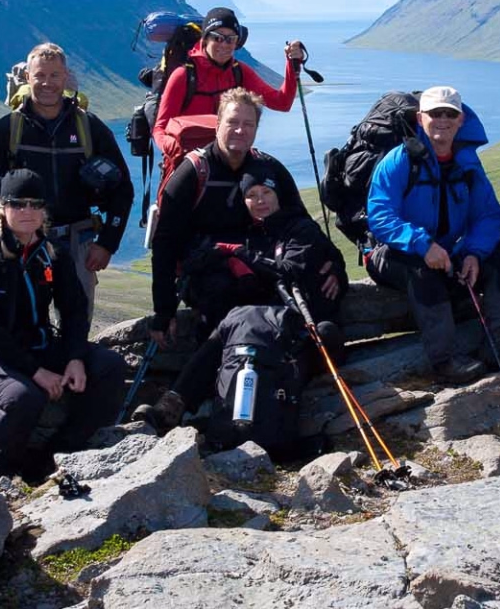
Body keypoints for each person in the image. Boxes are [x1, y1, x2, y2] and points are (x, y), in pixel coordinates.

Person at [0, 169, 129, 486]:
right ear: (2, 207)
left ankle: (56, 456)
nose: (27, 211)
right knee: (23, 397)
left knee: (110, 367)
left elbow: (73, 309)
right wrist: (36, 372)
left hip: (38, 344)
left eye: (35, 204)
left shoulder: (50, 252)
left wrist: (75, 357)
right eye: (18, 204)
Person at [138, 170, 349, 431]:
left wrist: (240, 254)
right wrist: (217, 255)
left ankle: (247, 417)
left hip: (306, 329)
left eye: (266, 192)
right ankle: (171, 407)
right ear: (244, 202)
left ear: (278, 195)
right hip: (267, 329)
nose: (260, 200)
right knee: (227, 327)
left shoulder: (300, 229)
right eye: (252, 195)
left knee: (251, 327)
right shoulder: (249, 234)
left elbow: (290, 271)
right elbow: (196, 264)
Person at [365, 85, 500, 384]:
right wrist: (423, 245)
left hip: (447, 251)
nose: (443, 120)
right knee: (421, 269)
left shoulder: (467, 164)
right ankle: (444, 360)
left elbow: (487, 214)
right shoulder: (399, 161)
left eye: (450, 114)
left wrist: (473, 252)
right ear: (420, 118)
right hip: (391, 253)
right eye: (435, 113)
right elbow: (380, 216)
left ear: (461, 120)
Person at [147, 89, 315, 345]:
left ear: (256, 128)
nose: (240, 130)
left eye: (248, 124)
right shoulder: (193, 172)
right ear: (217, 125)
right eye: (232, 122)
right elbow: (165, 242)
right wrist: (164, 310)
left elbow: (300, 224)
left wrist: (328, 267)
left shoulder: (268, 168)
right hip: (207, 275)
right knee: (222, 295)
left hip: (259, 265)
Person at [0, 42, 132, 308]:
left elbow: (122, 188)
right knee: (23, 319)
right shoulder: (7, 130)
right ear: (27, 77)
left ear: (66, 77)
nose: (47, 83)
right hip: (22, 243)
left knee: (77, 321)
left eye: (54, 75)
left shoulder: (90, 127)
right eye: (39, 75)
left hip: (78, 243)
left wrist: (107, 244)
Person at [151, 6, 308, 160]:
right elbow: (159, 128)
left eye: (231, 39)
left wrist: (292, 64)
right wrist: (172, 146)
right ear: (205, 39)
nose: (224, 45)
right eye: (217, 38)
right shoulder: (183, 76)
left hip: (228, 161)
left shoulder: (239, 72)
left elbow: (282, 103)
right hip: (187, 162)